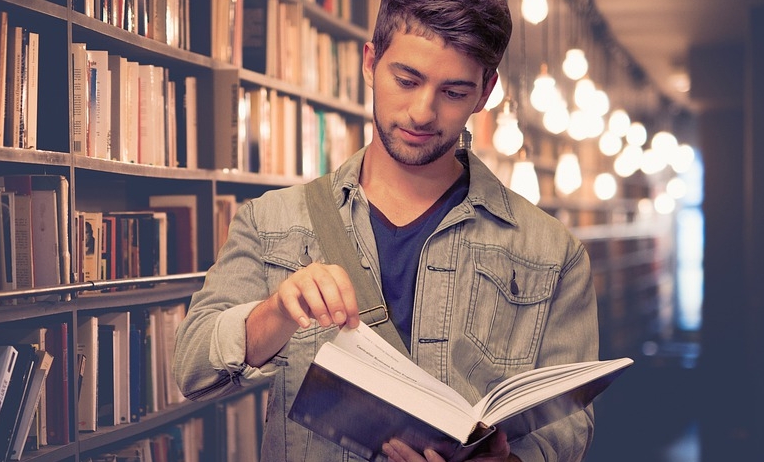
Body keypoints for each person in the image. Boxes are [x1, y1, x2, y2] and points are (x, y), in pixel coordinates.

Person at [172, 0, 597, 460]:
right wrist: (275, 311)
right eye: (407, 80)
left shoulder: (554, 252)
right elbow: (193, 369)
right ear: (371, 61)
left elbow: (569, 426)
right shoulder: (271, 220)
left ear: (485, 91)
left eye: (453, 92)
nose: (422, 112)